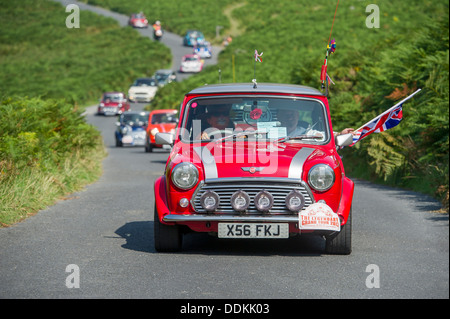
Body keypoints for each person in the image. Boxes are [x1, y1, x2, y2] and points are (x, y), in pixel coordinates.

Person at [277, 108, 354, 138]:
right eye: (286, 115)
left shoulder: (306, 132)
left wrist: (340, 134)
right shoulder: (268, 132)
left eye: (292, 115)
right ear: (278, 117)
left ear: (297, 116)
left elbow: (324, 136)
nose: (290, 118)